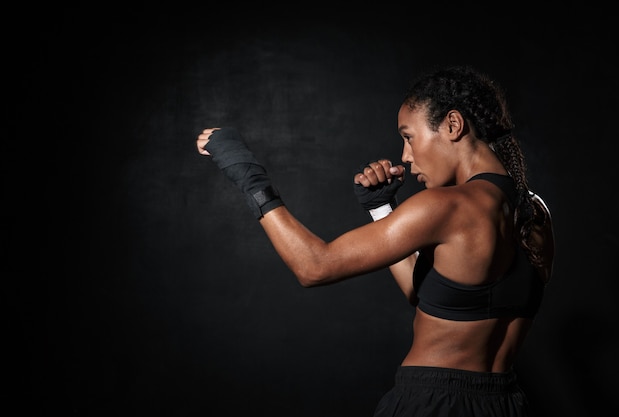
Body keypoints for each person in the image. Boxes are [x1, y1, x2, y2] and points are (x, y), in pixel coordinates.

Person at [196, 64, 554, 417]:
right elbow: (431, 296)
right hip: (506, 403)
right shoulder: (536, 213)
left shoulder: (448, 206)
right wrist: (382, 208)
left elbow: (313, 267)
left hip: (431, 402)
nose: (405, 156)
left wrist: (247, 174)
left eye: (409, 137)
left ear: (453, 125)